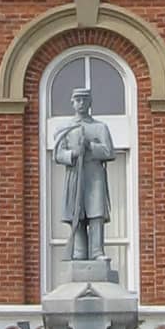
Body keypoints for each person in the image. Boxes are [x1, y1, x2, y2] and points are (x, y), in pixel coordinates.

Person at [53, 84, 116, 267]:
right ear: (72, 103)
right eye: (77, 100)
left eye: (84, 100)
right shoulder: (66, 128)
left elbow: (109, 152)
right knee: (77, 214)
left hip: (94, 175)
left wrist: (90, 146)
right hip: (74, 174)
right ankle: (79, 252)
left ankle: (97, 251)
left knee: (96, 214)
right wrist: (73, 154)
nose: (81, 103)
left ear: (90, 103)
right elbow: (58, 154)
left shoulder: (99, 127)